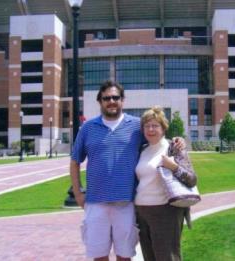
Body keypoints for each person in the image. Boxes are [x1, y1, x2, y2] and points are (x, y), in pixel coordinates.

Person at [70, 80, 184, 261]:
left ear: (122, 100)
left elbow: (156, 136)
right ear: (100, 101)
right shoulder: (87, 128)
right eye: (107, 98)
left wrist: (177, 140)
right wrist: (78, 193)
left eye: (116, 97)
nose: (112, 101)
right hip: (95, 203)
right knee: (99, 256)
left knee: (125, 256)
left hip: (126, 203)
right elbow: (75, 161)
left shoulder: (136, 126)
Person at [135, 106, 197, 261]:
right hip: (142, 213)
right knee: (149, 257)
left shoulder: (173, 147)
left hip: (165, 212)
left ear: (163, 128)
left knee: (167, 257)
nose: (150, 129)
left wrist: (174, 167)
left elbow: (192, 179)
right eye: (147, 126)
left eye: (155, 125)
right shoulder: (142, 149)